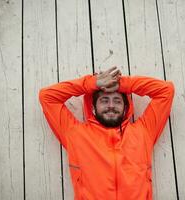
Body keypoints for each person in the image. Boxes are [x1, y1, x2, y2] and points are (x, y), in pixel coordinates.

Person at [39, 66, 175, 200]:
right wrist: (92, 83)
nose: (111, 105)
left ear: (125, 107)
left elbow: (166, 91)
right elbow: (47, 97)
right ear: (93, 107)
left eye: (117, 101)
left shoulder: (144, 132)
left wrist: (123, 84)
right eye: (104, 100)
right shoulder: (75, 134)